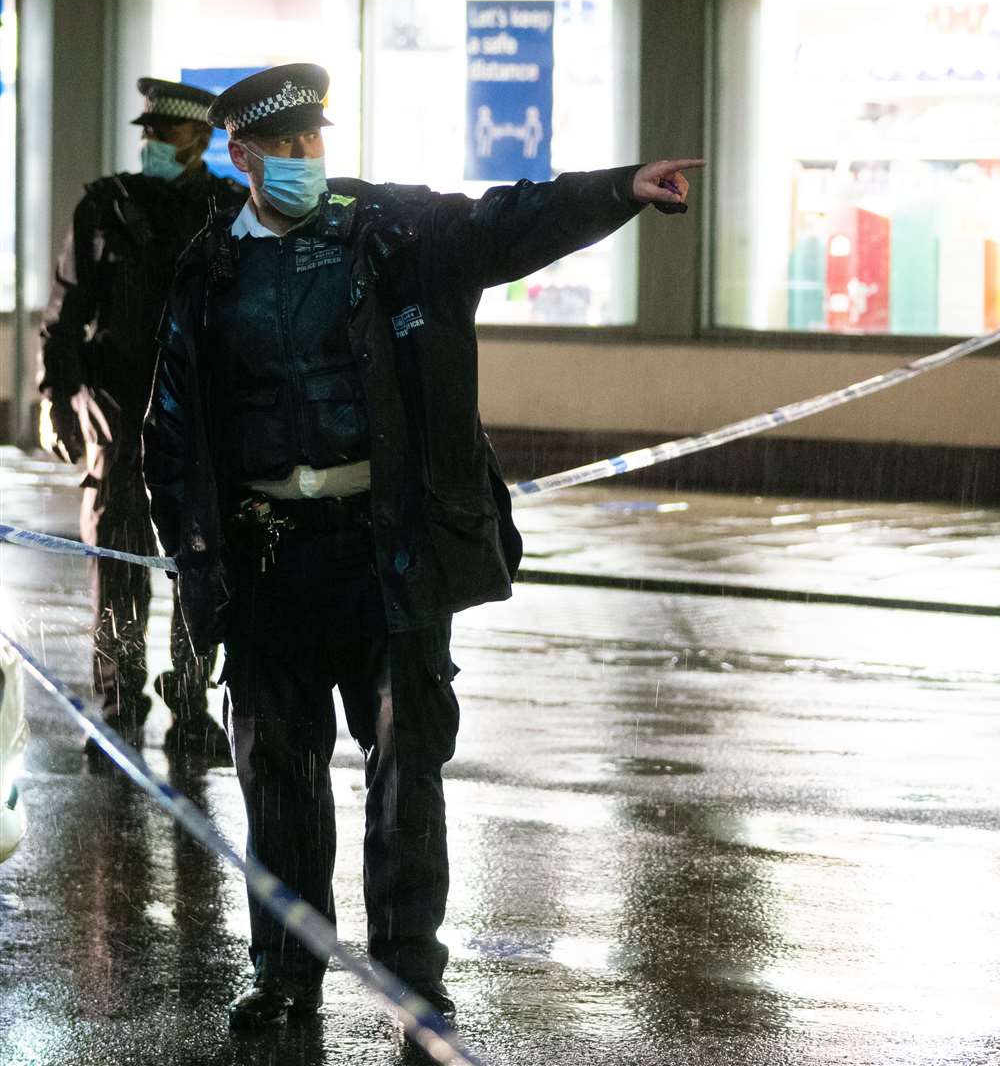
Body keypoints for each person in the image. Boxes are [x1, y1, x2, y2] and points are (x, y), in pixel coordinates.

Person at [140, 62, 701, 1030]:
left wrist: (618, 190)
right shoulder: (208, 272)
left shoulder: (385, 232)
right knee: (279, 778)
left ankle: (410, 978)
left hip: (382, 555)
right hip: (269, 561)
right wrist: (199, 571)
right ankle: (284, 976)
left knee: (406, 776)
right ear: (241, 158)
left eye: (315, 141)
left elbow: (501, 222)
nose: (307, 160)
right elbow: (171, 434)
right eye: (286, 148)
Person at [37, 78, 246, 762]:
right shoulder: (106, 208)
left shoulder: (228, 210)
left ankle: (192, 707)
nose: (152, 142)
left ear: (201, 140)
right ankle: (118, 709)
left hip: (202, 415)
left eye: (166, 133)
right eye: (148, 132)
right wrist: (56, 396)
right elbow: (65, 312)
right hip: (119, 411)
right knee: (117, 565)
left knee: (200, 563)